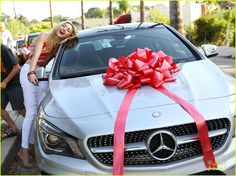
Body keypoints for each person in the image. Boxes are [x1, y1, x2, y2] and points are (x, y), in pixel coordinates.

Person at [18, 21, 78, 168]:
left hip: (42, 75)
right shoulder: (45, 35)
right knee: (31, 111)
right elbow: (37, 54)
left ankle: (31, 145)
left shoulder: (60, 46)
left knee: (37, 113)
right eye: (64, 25)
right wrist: (31, 72)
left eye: (68, 29)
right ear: (59, 26)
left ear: (69, 35)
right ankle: (23, 151)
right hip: (28, 71)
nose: (64, 29)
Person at [1, 44, 25, 139]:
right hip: (3, 84)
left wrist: (5, 82)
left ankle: (39, 127)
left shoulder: (4, 49)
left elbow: (17, 68)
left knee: (20, 110)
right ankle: (14, 129)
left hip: (13, 83)